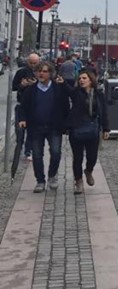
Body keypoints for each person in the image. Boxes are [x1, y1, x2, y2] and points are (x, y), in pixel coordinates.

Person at [18, 61, 70, 192]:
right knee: (37, 155)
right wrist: (23, 119)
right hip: (36, 127)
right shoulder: (31, 90)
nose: (41, 73)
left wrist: (65, 123)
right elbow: (23, 107)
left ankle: (52, 175)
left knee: (56, 152)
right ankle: (40, 180)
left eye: (45, 71)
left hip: (54, 127)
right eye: (39, 71)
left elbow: (65, 106)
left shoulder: (57, 89)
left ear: (51, 74)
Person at [65, 68, 110, 195]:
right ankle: (78, 182)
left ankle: (88, 170)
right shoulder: (76, 93)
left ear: (91, 80)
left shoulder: (98, 94)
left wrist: (106, 128)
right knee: (77, 158)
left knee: (92, 156)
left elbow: (104, 111)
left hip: (93, 129)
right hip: (77, 129)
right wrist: (62, 81)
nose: (81, 80)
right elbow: (67, 89)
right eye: (79, 78)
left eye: (84, 78)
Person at [12, 53, 41, 163]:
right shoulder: (21, 72)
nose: (33, 65)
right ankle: (18, 149)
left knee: (32, 131)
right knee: (20, 131)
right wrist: (22, 85)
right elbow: (14, 87)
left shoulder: (41, 73)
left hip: (35, 106)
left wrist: (36, 84)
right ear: (27, 62)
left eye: (35, 63)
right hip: (21, 105)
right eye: (31, 63)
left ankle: (28, 151)